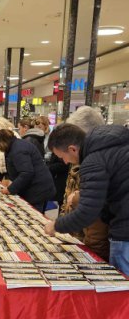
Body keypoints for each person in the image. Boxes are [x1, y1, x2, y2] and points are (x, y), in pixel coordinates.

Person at [45, 122, 129, 273]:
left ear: (72, 149)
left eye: (62, 157)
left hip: (125, 230)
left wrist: (56, 225)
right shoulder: (113, 146)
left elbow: (87, 212)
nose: (64, 162)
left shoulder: (93, 161)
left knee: (122, 290)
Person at [58, 106, 109, 259]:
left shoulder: (97, 161)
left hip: (93, 241)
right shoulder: (79, 157)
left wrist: (92, 255)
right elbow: (68, 195)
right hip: (79, 237)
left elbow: (96, 219)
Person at [0, 128, 56, 212]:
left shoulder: (18, 150)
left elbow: (26, 173)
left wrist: (10, 189)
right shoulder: (16, 145)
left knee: (34, 216)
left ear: (2, 142)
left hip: (37, 190)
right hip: (37, 187)